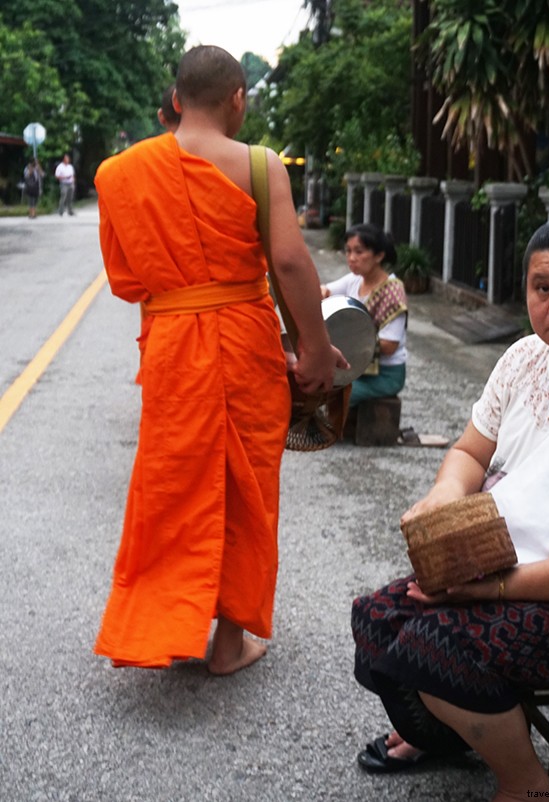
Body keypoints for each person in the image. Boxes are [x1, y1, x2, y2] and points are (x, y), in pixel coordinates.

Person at [352, 214, 549, 801]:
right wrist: (443, 499)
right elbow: (469, 450)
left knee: (435, 647)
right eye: (542, 288)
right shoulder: (524, 358)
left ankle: (528, 783)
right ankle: (448, 733)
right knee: (377, 619)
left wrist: (492, 590)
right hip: (498, 557)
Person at [94, 45, 346, 674]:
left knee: (172, 483)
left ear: (175, 100)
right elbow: (289, 262)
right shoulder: (260, 165)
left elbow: (125, 279)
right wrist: (314, 348)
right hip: (244, 341)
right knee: (246, 487)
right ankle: (229, 645)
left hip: (173, 347)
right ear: (238, 99)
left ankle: (164, 626)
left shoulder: (119, 173)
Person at [321, 223, 408, 407]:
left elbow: (390, 345)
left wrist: (345, 337)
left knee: (335, 395)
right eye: (348, 251)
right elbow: (326, 290)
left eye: (359, 252)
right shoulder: (355, 279)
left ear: (379, 255)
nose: (352, 258)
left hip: (385, 374)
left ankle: (329, 434)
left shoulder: (393, 291)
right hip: (357, 368)